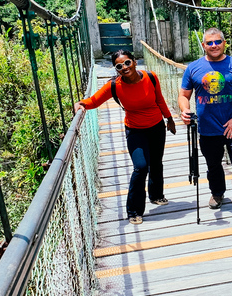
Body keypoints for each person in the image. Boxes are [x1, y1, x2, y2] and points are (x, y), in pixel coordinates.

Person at [74, 50, 176, 225]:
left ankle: (156, 195)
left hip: (157, 127)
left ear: (135, 62)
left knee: (156, 162)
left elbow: (159, 99)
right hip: (135, 130)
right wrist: (80, 104)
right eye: (119, 66)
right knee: (141, 167)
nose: (125, 68)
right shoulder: (115, 85)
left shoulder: (150, 77)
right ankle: (134, 210)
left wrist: (170, 119)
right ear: (116, 69)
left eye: (127, 63)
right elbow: (94, 101)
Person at [179, 28, 232, 223]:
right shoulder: (193, 68)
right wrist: (184, 110)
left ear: (224, 43)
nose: (214, 46)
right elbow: (184, 95)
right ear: (203, 45)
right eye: (209, 43)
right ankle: (217, 193)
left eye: (217, 41)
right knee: (213, 166)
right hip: (207, 129)